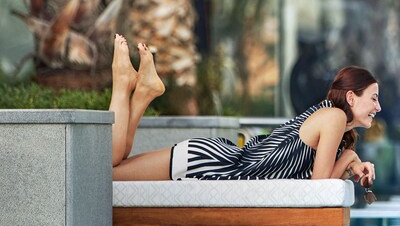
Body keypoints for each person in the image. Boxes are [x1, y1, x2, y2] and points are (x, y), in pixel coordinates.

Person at [109, 34, 379, 188]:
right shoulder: (333, 117)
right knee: (108, 173)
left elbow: (308, 174)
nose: (378, 107)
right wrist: (350, 157)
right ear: (352, 98)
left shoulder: (331, 119)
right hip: (214, 164)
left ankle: (143, 92)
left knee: (115, 165)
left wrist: (352, 166)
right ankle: (123, 84)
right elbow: (319, 187)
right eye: (374, 98)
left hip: (220, 159)